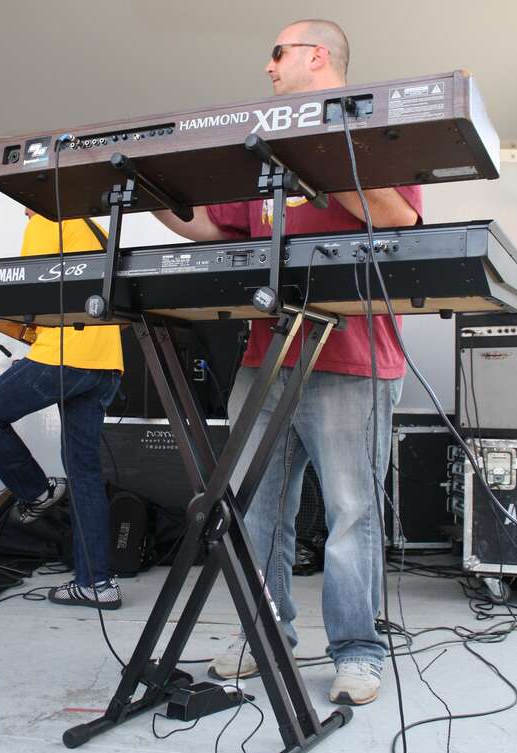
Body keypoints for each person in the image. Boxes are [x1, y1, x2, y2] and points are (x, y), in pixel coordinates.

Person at [154, 19, 423, 705]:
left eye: (278, 53)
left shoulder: (375, 129)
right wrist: (154, 191)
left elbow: (399, 217)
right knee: (254, 511)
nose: (269, 67)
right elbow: (212, 227)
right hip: (266, 358)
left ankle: (357, 650)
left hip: (351, 359)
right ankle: (263, 633)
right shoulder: (261, 146)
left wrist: (319, 156)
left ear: (317, 55)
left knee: (352, 513)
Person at [0, 210, 124, 610]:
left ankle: (38, 491)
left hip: (65, 356)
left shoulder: (47, 220)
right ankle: (97, 584)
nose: (21, 205)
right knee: (85, 475)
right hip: (107, 363)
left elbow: (24, 292)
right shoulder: (95, 228)